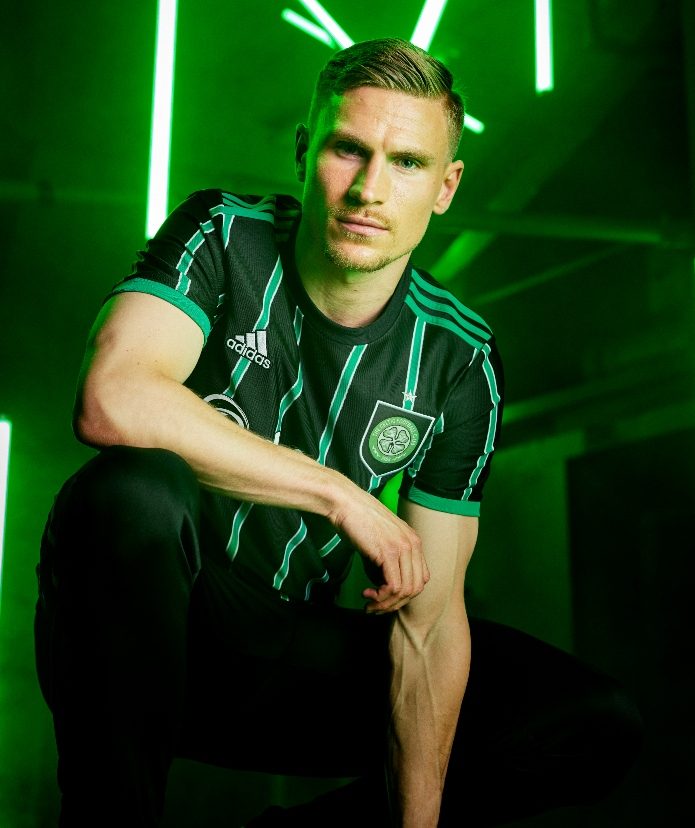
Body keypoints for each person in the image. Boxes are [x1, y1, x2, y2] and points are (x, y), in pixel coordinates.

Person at [34, 38, 641, 828]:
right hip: (138, 636)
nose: (368, 190)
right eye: (347, 149)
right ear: (303, 152)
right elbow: (111, 398)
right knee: (130, 491)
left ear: (446, 186)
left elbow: (428, 628)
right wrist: (342, 497)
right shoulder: (222, 233)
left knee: (590, 720)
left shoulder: (459, 358)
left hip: (284, 653)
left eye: (406, 163)